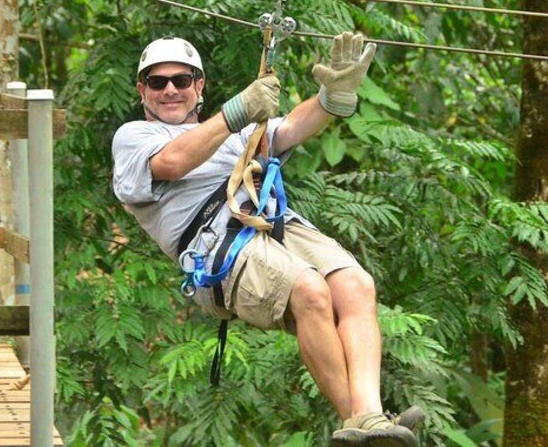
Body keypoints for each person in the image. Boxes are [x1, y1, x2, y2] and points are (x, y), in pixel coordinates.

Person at [112, 34, 424, 446]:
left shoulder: (241, 133)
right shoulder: (134, 137)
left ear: (198, 86)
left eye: (182, 80)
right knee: (309, 289)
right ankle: (358, 422)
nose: (171, 89)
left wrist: (333, 94)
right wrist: (236, 111)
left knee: (355, 283)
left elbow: (294, 126)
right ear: (142, 91)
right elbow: (171, 163)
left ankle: (369, 416)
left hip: (269, 223)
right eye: (158, 82)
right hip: (215, 248)